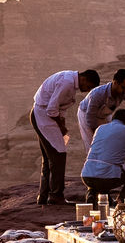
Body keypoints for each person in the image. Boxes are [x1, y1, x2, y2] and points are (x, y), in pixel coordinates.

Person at [30, 67, 100, 206]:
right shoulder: (67, 83)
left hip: (43, 115)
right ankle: (56, 195)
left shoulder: (70, 81)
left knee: (49, 157)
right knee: (58, 155)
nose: (86, 90)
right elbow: (52, 108)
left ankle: (44, 196)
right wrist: (61, 126)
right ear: (84, 78)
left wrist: (62, 124)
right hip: (43, 116)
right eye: (88, 86)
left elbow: (60, 108)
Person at [80, 107, 125, 203]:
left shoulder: (100, 128)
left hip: (86, 176)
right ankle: (121, 201)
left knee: (100, 172)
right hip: (107, 178)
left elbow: (106, 151)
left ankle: (91, 193)